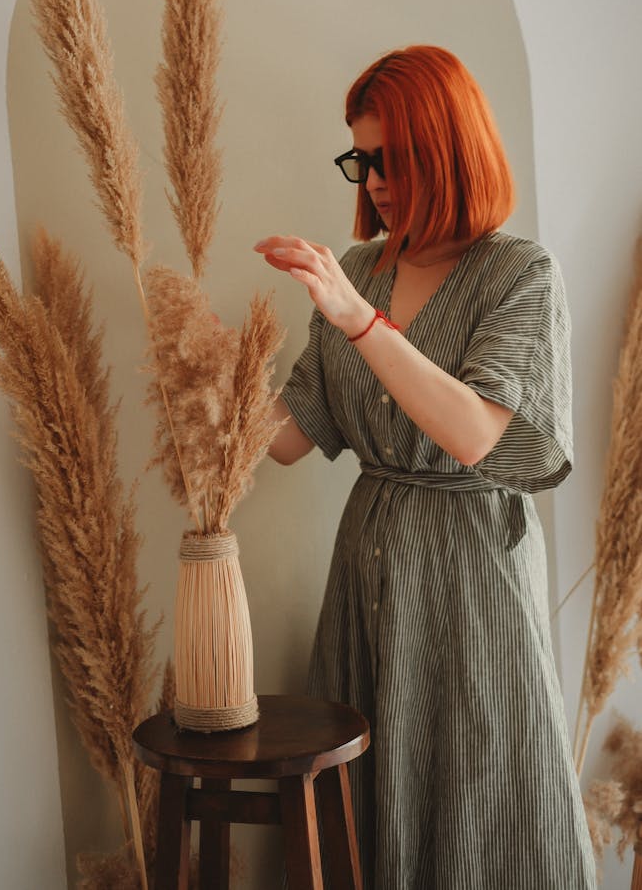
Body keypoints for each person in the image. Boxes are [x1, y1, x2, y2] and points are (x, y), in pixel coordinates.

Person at [254, 45, 595, 890]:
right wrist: (199, 387)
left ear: (451, 147)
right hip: (367, 575)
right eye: (363, 159)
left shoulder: (518, 272)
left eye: (393, 158)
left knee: (483, 799)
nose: (373, 181)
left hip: (471, 578)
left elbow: (474, 432)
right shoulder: (360, 269)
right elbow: (292, 433)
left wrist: (358, 321)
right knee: (360, 801)